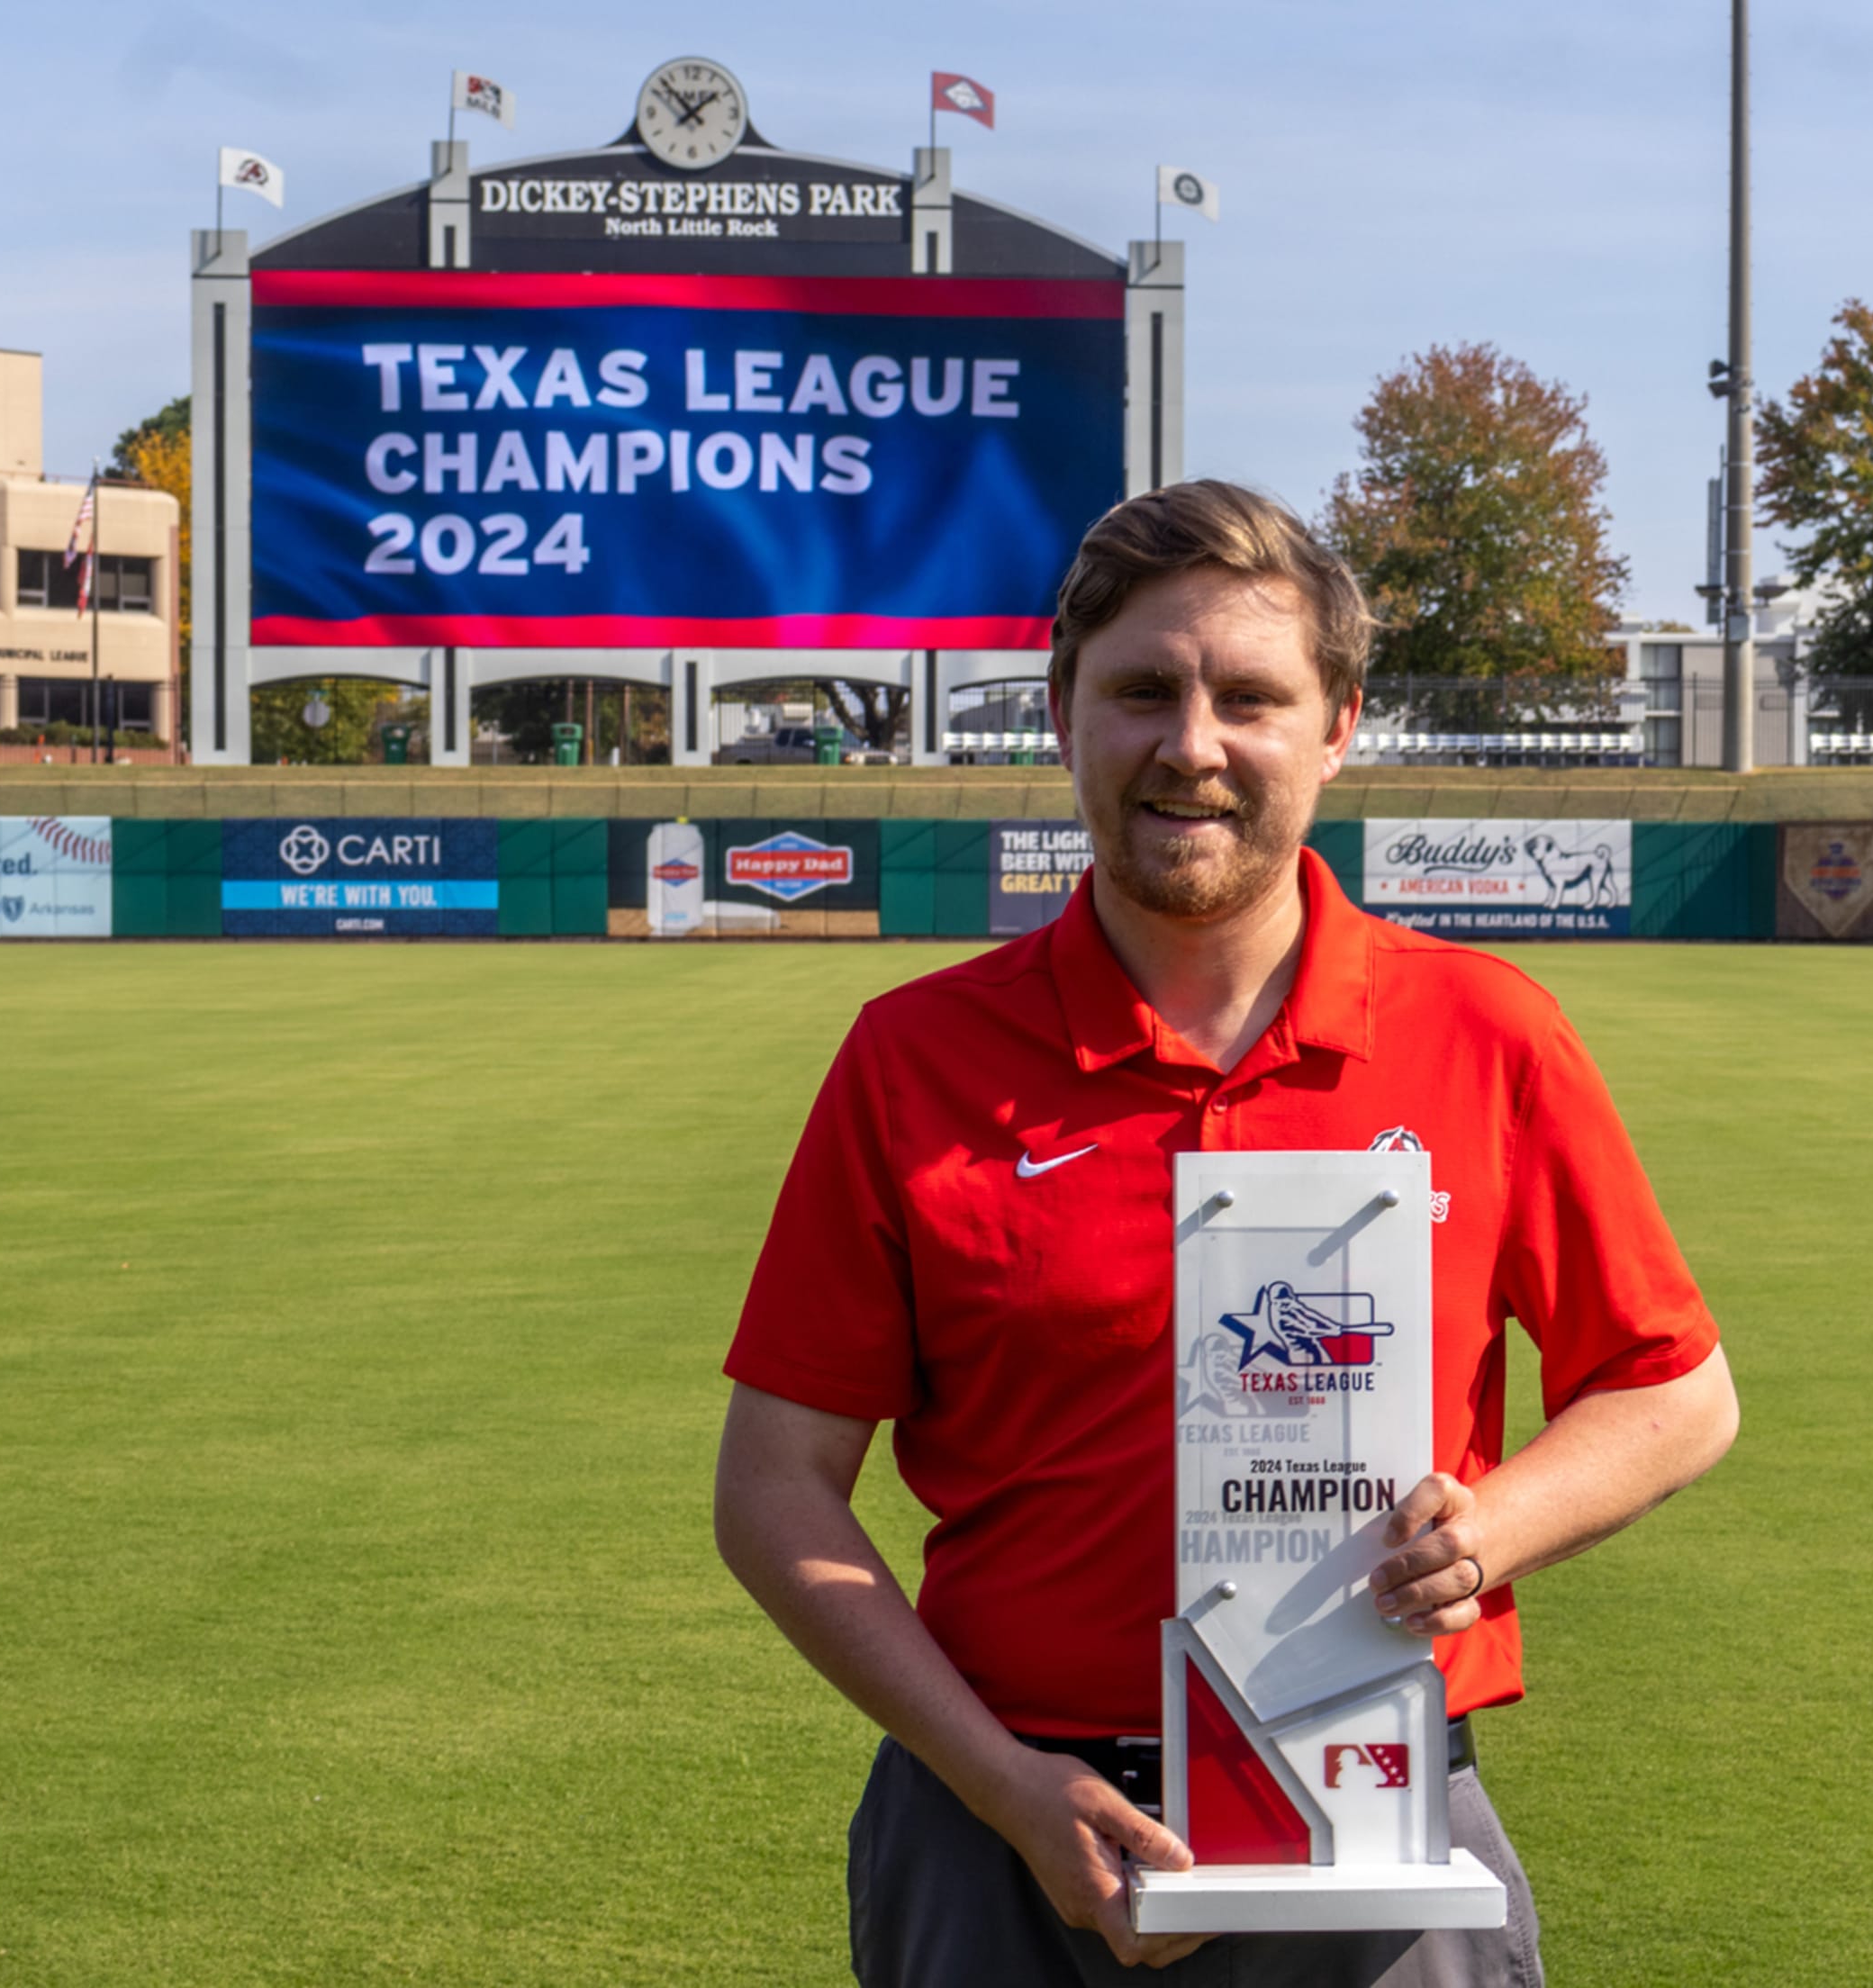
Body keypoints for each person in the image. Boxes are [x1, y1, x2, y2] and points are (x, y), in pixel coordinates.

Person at [715, 481, 1739, 1985]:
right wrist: (1002, 1785)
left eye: (1250, 698)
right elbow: (773, 1488)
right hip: (997, 1819)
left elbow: (1675, 1391)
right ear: (1063, 712)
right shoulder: (912, 1060)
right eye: (1143, 690)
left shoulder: (1489, 1034)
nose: (1192, 745)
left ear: (1337, 727)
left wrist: (1486, 1535)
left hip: (1377, 1811)